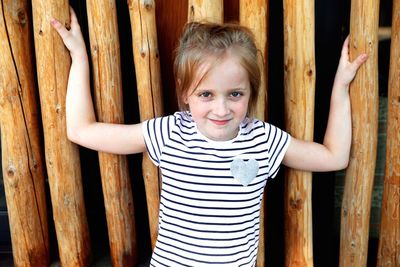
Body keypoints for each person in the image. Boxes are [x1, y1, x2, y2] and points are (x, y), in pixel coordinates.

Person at [51, 8, 368, 267]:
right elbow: (81, 130)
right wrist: (79, 57)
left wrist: (341, 85)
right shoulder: (170, 133)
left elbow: (334, 157)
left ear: (250, 92)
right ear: (185, 92)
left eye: (235, 94)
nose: (221, 108)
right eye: (206, 93)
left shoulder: (264, 141)